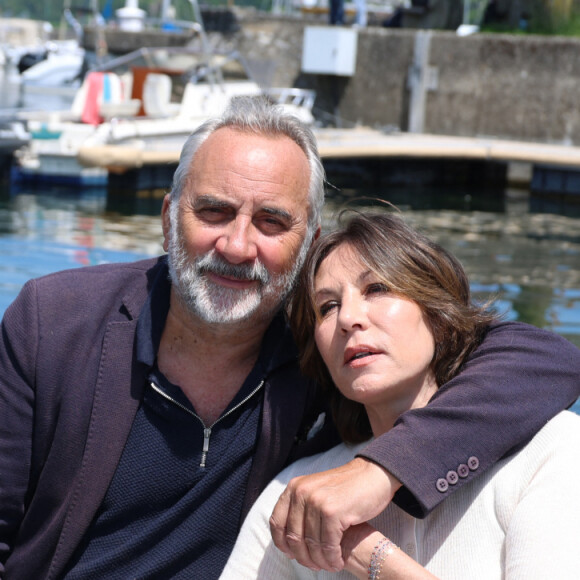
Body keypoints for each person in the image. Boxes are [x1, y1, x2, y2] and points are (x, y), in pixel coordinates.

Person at [0, 97, 579, 579]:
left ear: (308, 242)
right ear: (170, 215)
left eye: (272, 221)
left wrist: (384, 468)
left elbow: (547, 359)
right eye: (214, 211)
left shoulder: (320, 352)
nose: (237, 244)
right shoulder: (56, 320)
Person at [221, 211, 580, 579]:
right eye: (327, 307)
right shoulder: (297, 492)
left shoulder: (552, 451)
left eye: (376, 289)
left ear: (437, 313)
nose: (348, 317)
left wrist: (369, 557)